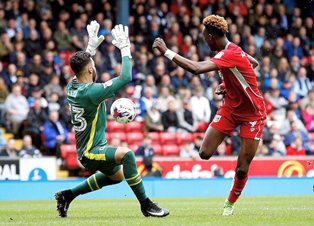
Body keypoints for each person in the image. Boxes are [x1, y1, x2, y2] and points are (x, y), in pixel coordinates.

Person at [153, 15, 266, 216]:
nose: (204, 40)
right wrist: (228, 83)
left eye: (205, 37)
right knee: (204, 152)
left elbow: (196, 69)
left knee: (241, 168)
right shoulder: (232, 51)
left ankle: (229, 204)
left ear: (212, 36)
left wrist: (167, 52)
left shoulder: (229, 53)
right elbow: (254, 63)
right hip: (231, 107)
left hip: (252, 114)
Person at [55, 21, 168, 218]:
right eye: (92, 65)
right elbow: (125, 77)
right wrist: (125, 48)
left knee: (117, 176)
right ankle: (146, 205)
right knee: (128, 155)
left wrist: (90, 48)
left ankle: (68, 195)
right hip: (90, 152)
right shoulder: (92, 92)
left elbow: (80, 68)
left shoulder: (72, 87)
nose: (94, 67)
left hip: (89, 149)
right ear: (91, 70)